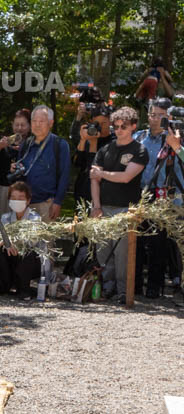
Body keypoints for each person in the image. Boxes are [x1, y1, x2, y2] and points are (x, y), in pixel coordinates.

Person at [90, 106, 148, 303]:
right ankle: (107, 288)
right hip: (103, 206)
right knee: (103, 250)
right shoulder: (105, 149)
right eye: (116, 126)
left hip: (126, 209)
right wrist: (96, 206)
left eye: (123, 126)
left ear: (133, 126)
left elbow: (125, 177)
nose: (119, 130)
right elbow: (93, 178)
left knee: (123, 254)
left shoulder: (139, 150)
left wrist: (102, 174)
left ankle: (124, 291)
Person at [134, 98, 184, 298]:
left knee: (159, 243)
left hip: (166, 196)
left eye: (160, 116)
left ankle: (155, 287)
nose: (154, 119)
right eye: (152, 114)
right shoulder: (139, 137)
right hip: (140, 195)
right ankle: (135, 285)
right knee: (136, 241)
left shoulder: (177, 139)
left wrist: (176, 145)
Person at [13, 106, 70, 221]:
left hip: (47, 204)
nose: (37, 125)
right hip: (25, 205)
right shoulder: (26, 144)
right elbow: (21, 173)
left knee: (45, 239)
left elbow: (65, 175)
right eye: (34, 121)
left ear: (51, 123)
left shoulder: (59, 145)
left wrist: (57, 202)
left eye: (41, 121)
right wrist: (14, 170)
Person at [0, 181, 43, 299]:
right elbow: (0, 235)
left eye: (20, 198)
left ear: (28, 200)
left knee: (28, 252)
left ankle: (24, 290)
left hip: (27, 258)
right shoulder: (5, 217)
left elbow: (32, 240)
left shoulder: (35, 218)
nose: (16, 201)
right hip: (10, 255)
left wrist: (12, 241)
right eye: (13, 198)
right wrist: (0, 240)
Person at [0, 109, 31, 217]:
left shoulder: (32, 144)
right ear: (12, 125)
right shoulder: (5, 142)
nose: (19, 128)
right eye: (17, 124)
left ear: (29, 126)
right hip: (3, 190)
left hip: (22, 191)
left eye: (23, 125)